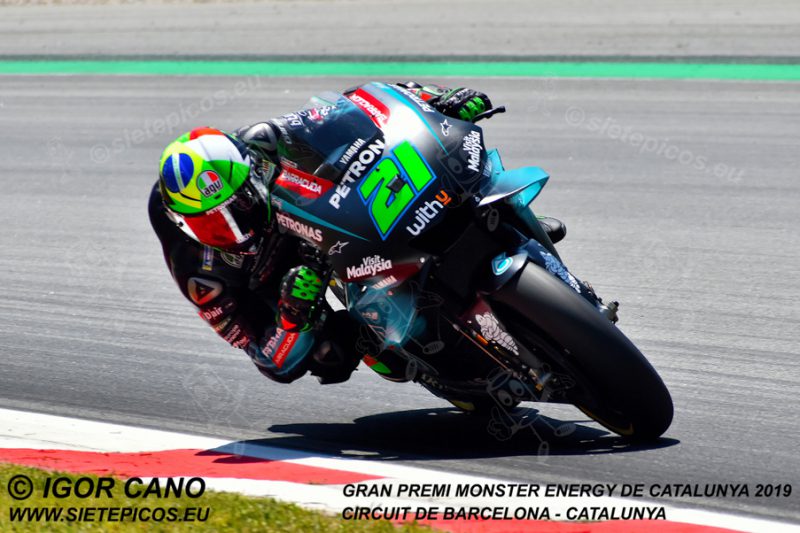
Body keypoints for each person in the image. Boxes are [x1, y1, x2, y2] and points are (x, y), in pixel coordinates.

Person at [148, 82, 566, 385]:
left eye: (238, 207)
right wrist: (293, 316)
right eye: (211, 223)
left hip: (320, 219)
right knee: (335, 354)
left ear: (253, 173)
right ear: (185, 223)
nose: (232, 229)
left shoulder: (264, 142)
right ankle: (436, 360)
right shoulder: (199, 272)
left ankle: (512, 233)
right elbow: (267, 360)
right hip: (283, 279)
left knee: (462, 178)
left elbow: (363, 105)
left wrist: (434, 101)